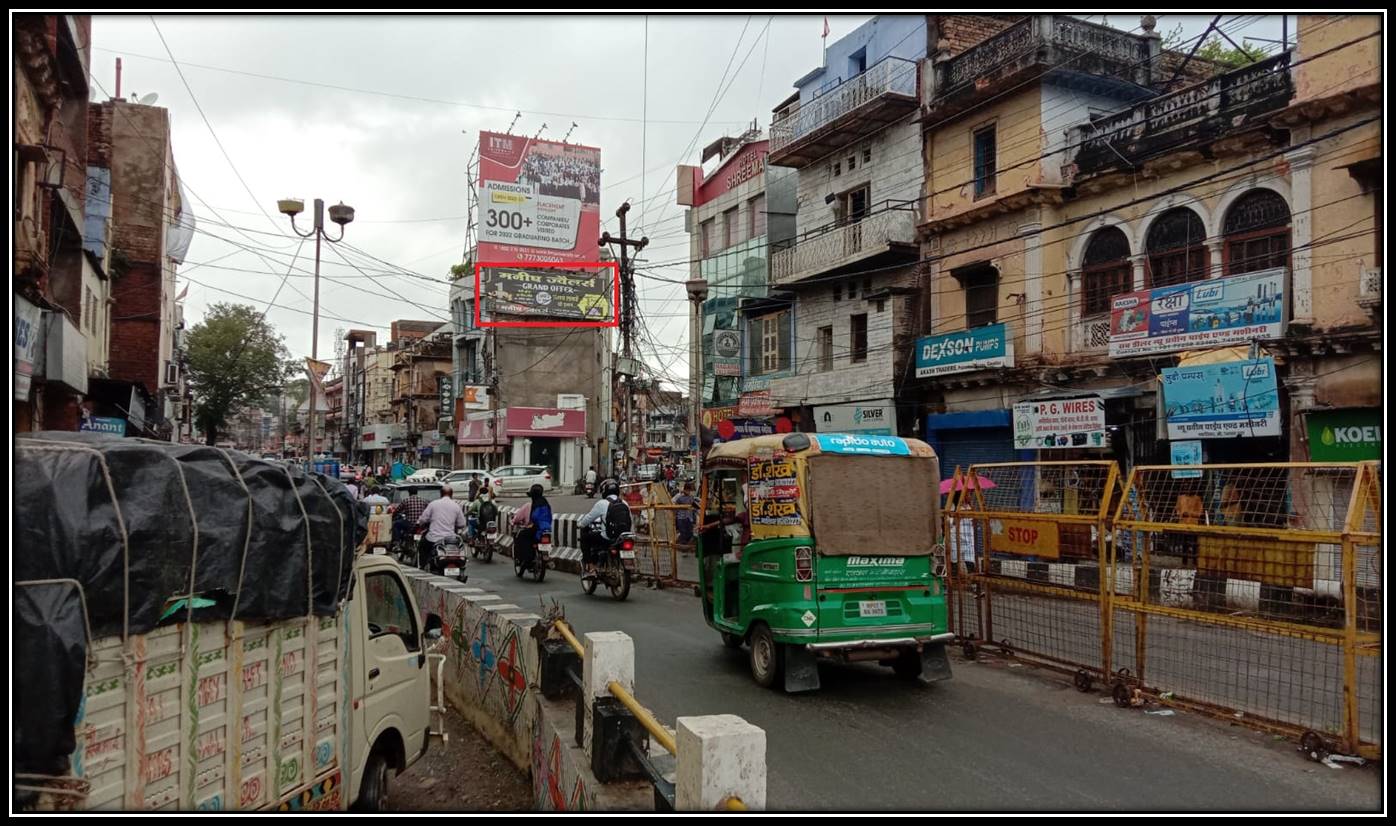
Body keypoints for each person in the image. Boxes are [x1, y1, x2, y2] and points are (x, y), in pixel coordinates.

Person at [577, 479, 628, 579]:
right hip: (623, 537)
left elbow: (588, 518)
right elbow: (630, 520)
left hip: (607, 537)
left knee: (585, 538)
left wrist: (580, 524)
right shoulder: (625, 503)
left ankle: (591, 568)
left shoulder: (602, 503)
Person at [416, 484, 466, 569]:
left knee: (422, 546)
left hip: (433, 538)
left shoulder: (433, 504)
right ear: (451, 494)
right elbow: (462, 524)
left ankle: (422, 567)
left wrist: (420, 524)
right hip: (450, 539)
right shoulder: (456, 506)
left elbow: (423, 519)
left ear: (441, 494)